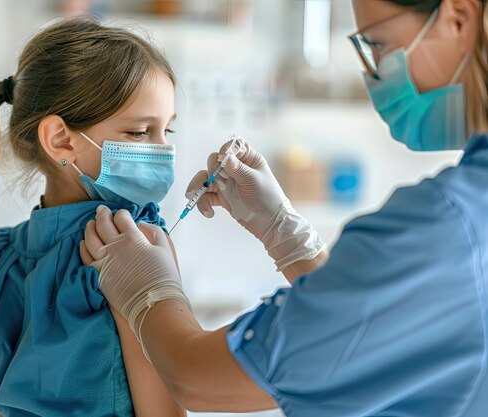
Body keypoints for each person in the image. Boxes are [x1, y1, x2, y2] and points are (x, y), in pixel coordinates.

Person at [81, 0, 488, 415]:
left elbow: (200, 381)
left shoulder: (451, 225)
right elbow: (375, 330)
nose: (373, 74)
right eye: (137, 132)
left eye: (378, 44)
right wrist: (284, 233)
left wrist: (150, 294)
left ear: (459, 18)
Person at [0, 17, 186, 417]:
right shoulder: (132, 249)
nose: (163, 151)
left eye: (167, 130)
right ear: (61, 139)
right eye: (139, 133)